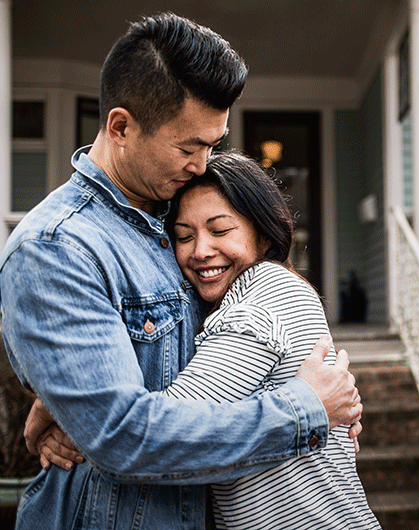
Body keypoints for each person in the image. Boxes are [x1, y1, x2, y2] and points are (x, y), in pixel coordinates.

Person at [0, 13, 361, 530]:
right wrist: (304, 411)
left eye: (212, 144)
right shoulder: (57, 248)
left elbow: (231, 345)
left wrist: (332, 396)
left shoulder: (172, 213)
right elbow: (125, 437)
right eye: (189, 147)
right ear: (121, 127)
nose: (202, 164)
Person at [159, 151, 381, 529]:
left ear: (262, 234)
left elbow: (167, 431)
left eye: (220, 230)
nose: (200, 251)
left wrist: (77, 414)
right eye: (184, 236)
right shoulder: (240, 298)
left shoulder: (265, 288)